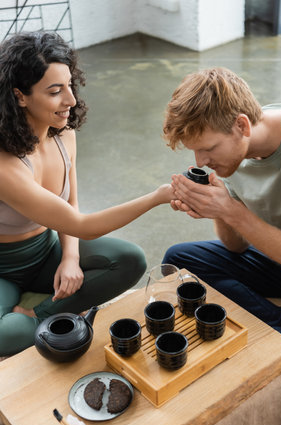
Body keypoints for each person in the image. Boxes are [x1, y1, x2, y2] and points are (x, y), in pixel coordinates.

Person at [0, 31, 175, 356]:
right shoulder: (5, 165)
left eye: (70, 86)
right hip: (2, 267)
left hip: (45, 251)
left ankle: (43, 317)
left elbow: (70, 203)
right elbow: (81, 224)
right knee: (4, 335)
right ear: (20, 96)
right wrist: (157, 196)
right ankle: (49, 317)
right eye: (55, 91)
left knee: (130, 259)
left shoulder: (63, 135)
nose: (71, 100)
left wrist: (70, 258)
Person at [161, 67, 281, 373]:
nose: (200, 161)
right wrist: (218, 208)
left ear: (241, 126)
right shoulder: (233, 155)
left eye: (208, 149)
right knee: (179, 261)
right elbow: (236, 248)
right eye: (195, 151)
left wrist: (232, 211)